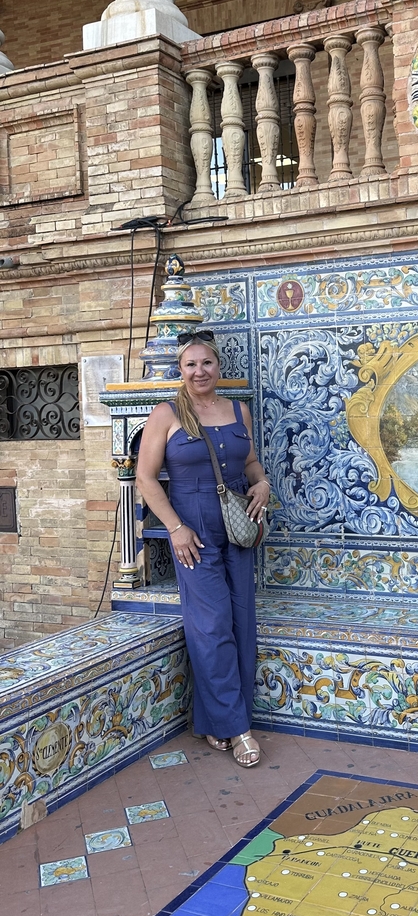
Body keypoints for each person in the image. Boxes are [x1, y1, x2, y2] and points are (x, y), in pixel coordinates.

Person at [137, 329, 271, 767]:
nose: (200, 371)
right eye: (191, 364)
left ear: (218, 366)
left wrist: (262, 484)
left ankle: (215, 719)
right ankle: (239, 729)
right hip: (193, 531)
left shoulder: (238, 410)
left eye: (206, 363)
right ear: (180, 369)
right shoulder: (167, 414)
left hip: (237, 525)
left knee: (240, 622)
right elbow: (145, 479)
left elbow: (249, 462)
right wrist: (175, 528)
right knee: (211, 627)